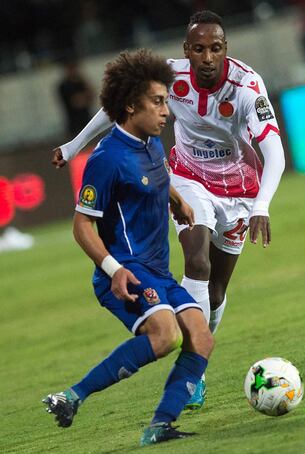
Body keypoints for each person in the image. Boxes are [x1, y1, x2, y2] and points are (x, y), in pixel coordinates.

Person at [51, 10, 285, 410]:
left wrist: (261, 205)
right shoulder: (170, 76)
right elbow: (118, 107)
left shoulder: (246, 86)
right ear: (186, 51)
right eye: (199, 48)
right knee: (196, 258)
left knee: (216, 289)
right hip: (187, 177)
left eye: (215, 48)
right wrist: (74, 146)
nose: (208, 57)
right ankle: (194, 377)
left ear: (225, 48)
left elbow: (274, 152)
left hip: (238, 189)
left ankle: (195, 353)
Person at [43, 49, 214, 447]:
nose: (166, 111)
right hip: (126, 271)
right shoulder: (106, 159)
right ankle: (71, 397)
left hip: (157, 269)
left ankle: (160, 426)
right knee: (166, 335)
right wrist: (113, 269)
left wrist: (175, 198)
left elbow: (154, 173)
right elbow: (81, 225)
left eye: (167, 101)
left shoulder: (150, 140)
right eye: (158, 102)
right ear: (131, 105)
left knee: (201, 338)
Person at [57, 57, 95, 137]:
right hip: (74, 124)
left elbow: (92, 96)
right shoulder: (64, 86)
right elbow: (76, 102)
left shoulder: (81, 82)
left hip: (87, 121)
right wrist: (85, 97)